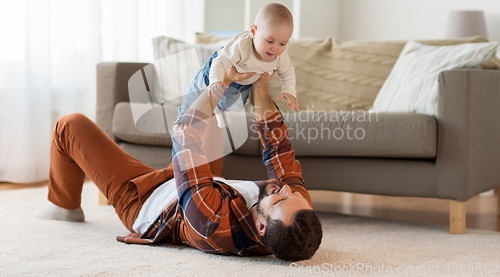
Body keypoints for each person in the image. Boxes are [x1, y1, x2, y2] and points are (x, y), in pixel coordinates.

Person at [36, 67, 322, 262]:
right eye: (293, 194)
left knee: (69, 125)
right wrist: (260, 87)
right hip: (206, 186)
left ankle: (64, 208)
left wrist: (219, 83)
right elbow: (279, 149)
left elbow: (186, 134)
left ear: (260, 227)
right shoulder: (295, 209)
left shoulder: (210, 222)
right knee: (217, 112)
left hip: (147, 200)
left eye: (277, 200)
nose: (285, 190)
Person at [177, 3, 299, 134]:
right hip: (217, 72)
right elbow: (220, 62)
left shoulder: (281, 56)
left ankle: (219, 110)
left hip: (242, 84)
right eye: (269, 41)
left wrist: (289, 91)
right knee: (197, 94)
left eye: (282, 43)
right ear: (253, 32)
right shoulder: (241, 46)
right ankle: (181, 119)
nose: (275, 48)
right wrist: (216, 81)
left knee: (235, 105)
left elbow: (287, 72)